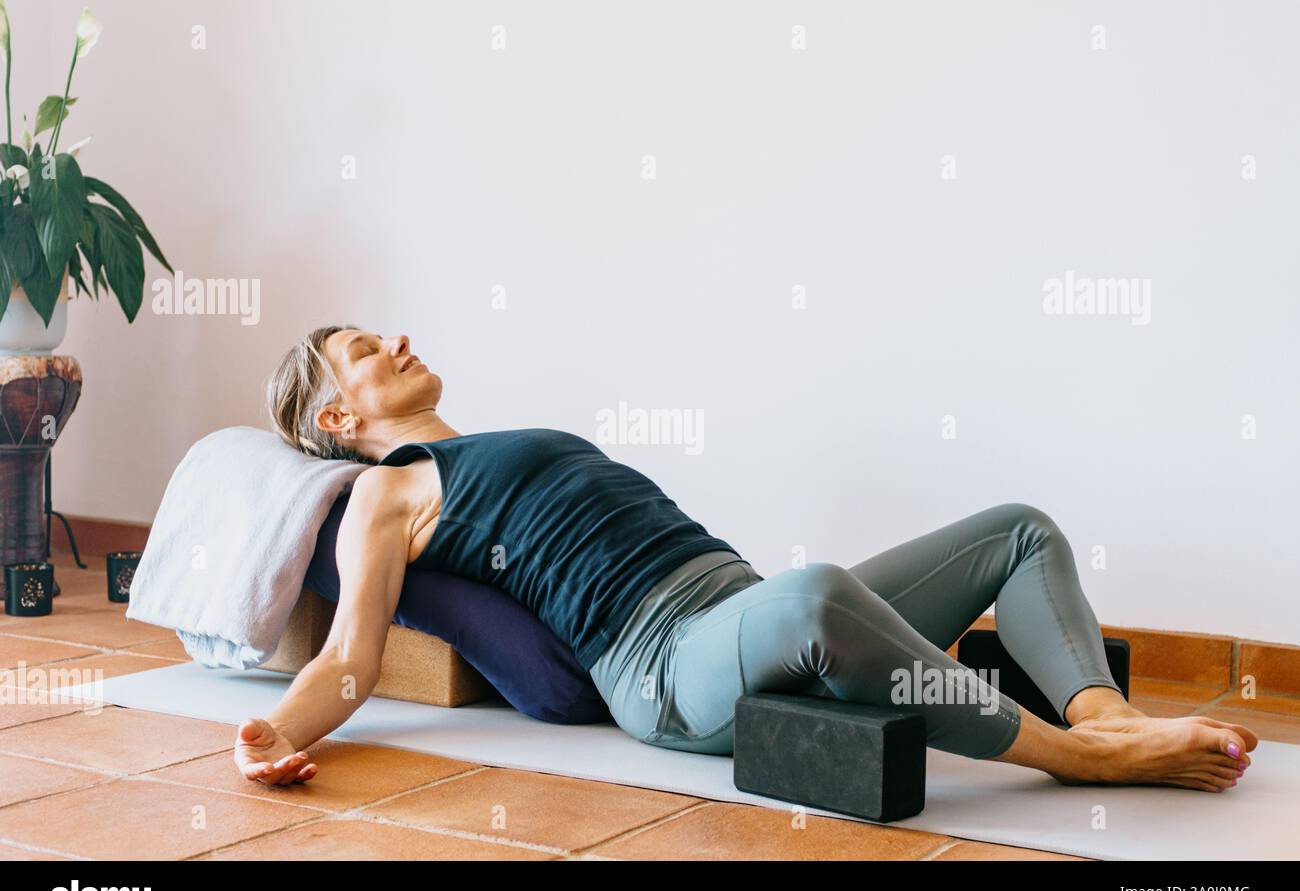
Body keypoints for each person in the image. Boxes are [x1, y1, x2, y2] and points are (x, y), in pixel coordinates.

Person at [234, 324, 1257, 793]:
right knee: (816, 592)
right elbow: (348, 659)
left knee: (1017, 527)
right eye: (368, 348)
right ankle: (1072, 755)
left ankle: (1105, 715)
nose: (399, 339)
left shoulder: (479, 447)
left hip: (735, 602)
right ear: (338, 412)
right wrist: (270, 730)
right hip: (664, 664)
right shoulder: (385, 491)